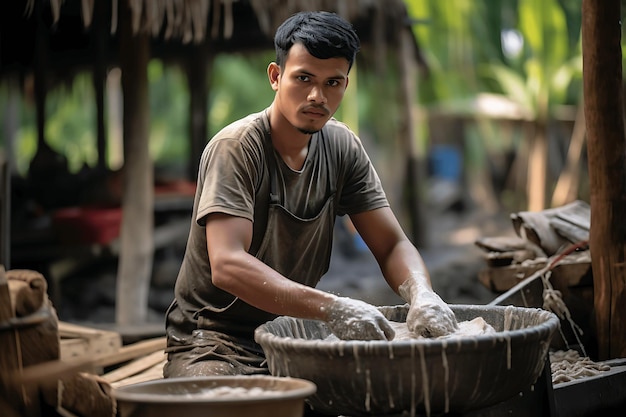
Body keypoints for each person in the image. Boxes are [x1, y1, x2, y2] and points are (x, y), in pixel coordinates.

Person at [163, 10, 458, 378]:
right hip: (212, 341)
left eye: (333, 82)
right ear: (275, 76)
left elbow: (391, 244)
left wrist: (422, 294)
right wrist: (334, 308)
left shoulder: (342, 146)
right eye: (303, 78)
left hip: (293, 334)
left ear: (346, 85)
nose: (317, 96)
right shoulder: (237, 147)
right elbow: (227, 265)